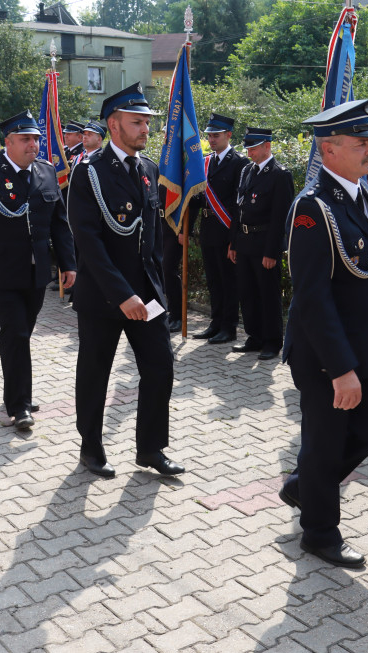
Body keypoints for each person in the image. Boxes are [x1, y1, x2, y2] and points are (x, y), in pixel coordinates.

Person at [279, 99, 368, 568]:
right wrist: (340, 369)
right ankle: (320, 533)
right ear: (329, 150)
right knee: (325, 444)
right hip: (329, 354)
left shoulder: (359, 192)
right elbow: (312, 298)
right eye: (361, 142)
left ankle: (306, 486)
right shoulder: (313, 208)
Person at [67, 83, 184, 478]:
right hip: (104, 296)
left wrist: (157, 294)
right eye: (137, 122)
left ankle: (150, 448)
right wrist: (122, 295)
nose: (145, 130)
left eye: (147, 123)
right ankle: (91, 447)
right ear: (113, 125)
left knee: (160, 368)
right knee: (95, 373)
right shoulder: (88, 173)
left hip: (146, 296)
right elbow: (89, 243)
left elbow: (151, 243)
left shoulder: (148, 170)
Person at [0, 110, 77, 430]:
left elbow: (59, 223)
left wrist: (69, 263)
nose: (33, 144)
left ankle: (20, 390)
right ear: (8, 142)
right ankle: (19, 405)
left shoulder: (46, 171)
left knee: (22, 333)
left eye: (36, 139)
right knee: (16, 331)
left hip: (36, 272)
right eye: (25, 139)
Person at [231, 127, 294, 359]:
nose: (249, 152)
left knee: (268, 294)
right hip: (245, 241)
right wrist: (234, 243)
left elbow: (281, 219)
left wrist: (273, 251)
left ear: (267, 146)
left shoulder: (280, 175)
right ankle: (254, 336)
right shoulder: (247, 171)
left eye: (254, 147)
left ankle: (272, 341)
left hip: (264, 244)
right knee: (247, 293)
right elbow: (239, 209)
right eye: (247, 147)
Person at [185, 114, 248, 343]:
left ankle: (228, 327)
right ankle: (215, 322)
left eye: (216, 135)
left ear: (228, 135)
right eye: (209, 135)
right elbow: (196, 200)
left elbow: (239, 205)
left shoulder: (240, 163)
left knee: (228, 280)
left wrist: (235, 239)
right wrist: (188, 229)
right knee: (213, 279)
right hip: (209, 228)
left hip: (227, 229)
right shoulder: (205, 162)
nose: (211, 139)